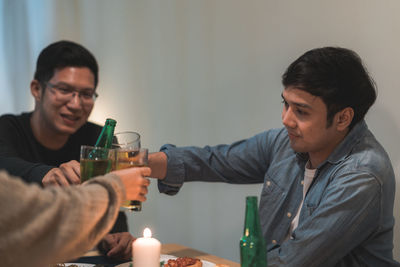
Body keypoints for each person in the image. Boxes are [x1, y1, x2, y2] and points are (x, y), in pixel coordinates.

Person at [149, 47, 399, 266]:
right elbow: (216, 161)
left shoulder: (362, 175)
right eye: (286, 104)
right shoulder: (286, 142)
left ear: (343, 118)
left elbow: (293, 261)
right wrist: (138, 163)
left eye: (301, 111)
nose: (286, 119)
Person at [0, 40, 130, 260]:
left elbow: (112, 214)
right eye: (64, 90)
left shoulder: (97, 139)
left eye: (87, 94)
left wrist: (118, 238)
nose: (76, 104)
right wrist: (46, 174)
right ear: (37, 89)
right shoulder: (8, 128)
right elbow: (4, 164)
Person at [0, 165, 151, 267]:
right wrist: (113, 188)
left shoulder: (94, 133)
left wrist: (102, 239)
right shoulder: (9, 129)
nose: (76, 114)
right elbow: (33, 217)